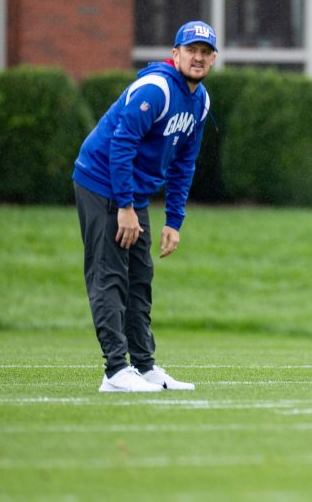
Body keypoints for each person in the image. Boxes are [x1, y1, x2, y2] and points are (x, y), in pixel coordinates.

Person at [71, 21, 217, 392]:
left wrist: (174, 220)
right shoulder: (155, 89)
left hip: (131, 192)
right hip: (102, 181)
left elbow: (184, 163)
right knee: (110, 275)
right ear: (175, 54)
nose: (198, 57)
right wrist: (124, 206)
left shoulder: (200, 101)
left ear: (212, 59)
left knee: (140, 277)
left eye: (205, 52)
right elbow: (121, 145)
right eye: (191, 50)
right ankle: (116, 371)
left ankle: (144, 366)